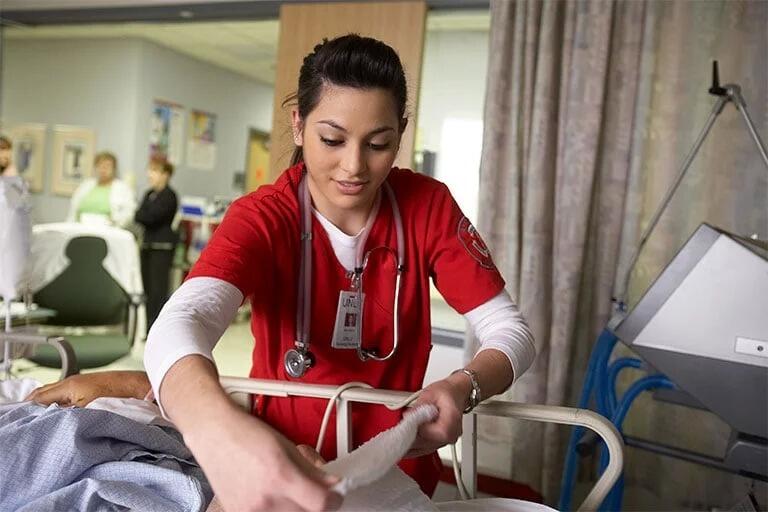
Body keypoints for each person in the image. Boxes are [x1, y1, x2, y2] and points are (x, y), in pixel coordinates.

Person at [29, 34, 536, 511]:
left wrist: (464, 384)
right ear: (298, 124)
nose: (353, 166)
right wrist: (217, 432)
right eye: (332, 139)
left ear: (401, 132)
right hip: (276, 456)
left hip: (392, 468)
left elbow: (511, 333)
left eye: (378, 143)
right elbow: (183, 320)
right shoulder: (264, 216)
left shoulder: (427, 208)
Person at [135, 156, 179, 333]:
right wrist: (145, 216)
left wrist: (145, 216)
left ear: (166, 175)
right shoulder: (148, 194)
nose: (150, 175)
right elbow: (138, 216)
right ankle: (146, 326)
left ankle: (157, 328)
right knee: (146, 288)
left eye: (155, 171)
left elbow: (152, 217)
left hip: (162, 248)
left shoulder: (170, 196)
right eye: (150, 170)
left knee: (158, 291)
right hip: (147, 245)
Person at [66, 151, 136, 228]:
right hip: (79, 228)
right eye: (100, 165)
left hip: (108, 230)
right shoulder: (86, 185)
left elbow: (129, 213)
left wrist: (115, 222)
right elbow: (73, 209)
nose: (103, 169)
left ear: (114, 169)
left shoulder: (122, 188)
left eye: (107, 166)